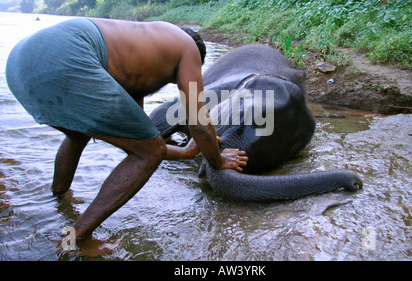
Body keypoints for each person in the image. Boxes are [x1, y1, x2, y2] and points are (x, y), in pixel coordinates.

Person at [6, 18, 248, 240]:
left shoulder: (140, 47)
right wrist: (217, 158)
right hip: (68, 57)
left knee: (79, 134)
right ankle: (74, 239)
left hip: (19, 64)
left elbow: (136, 143)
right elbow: (198, 123)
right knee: (149, 153)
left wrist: (185, 152)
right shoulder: (188, 48)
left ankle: (59, 198)